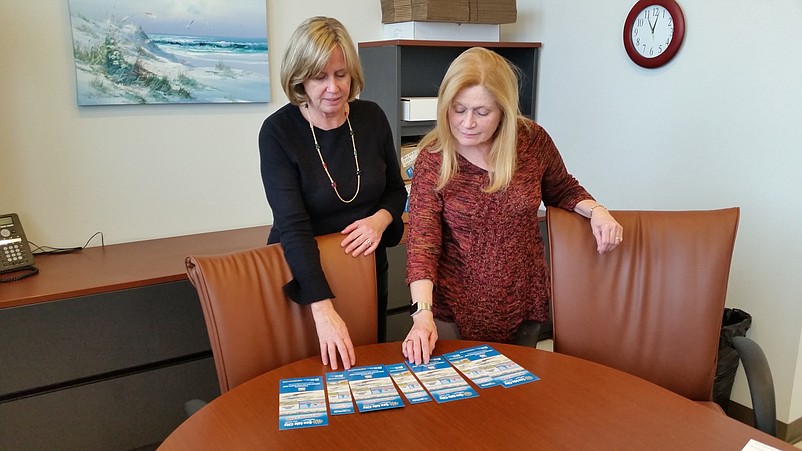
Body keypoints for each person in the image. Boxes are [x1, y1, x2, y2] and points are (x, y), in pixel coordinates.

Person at [402, 47, 624, 365]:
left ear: (503, 110)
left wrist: (598, 212)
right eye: (458, 109)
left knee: (518, 402)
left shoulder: (532, 142)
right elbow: (423, 244)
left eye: (481, 112)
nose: (467, 123)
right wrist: (421, 313)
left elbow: (563, 189)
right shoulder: (434, 158)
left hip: (522, 304)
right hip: (452, 309)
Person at [258, 16, 407, 370]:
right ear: (300, 79)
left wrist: (379, 220)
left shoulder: (371, 118)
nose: (333, 88)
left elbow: (395, 190)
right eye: (320, 77)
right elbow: (292, 226)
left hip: (367, 267)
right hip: (303, 270)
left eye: (341, 74)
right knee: (310, 372)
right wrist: (322, 307)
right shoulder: (278, 132)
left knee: (369, 368)